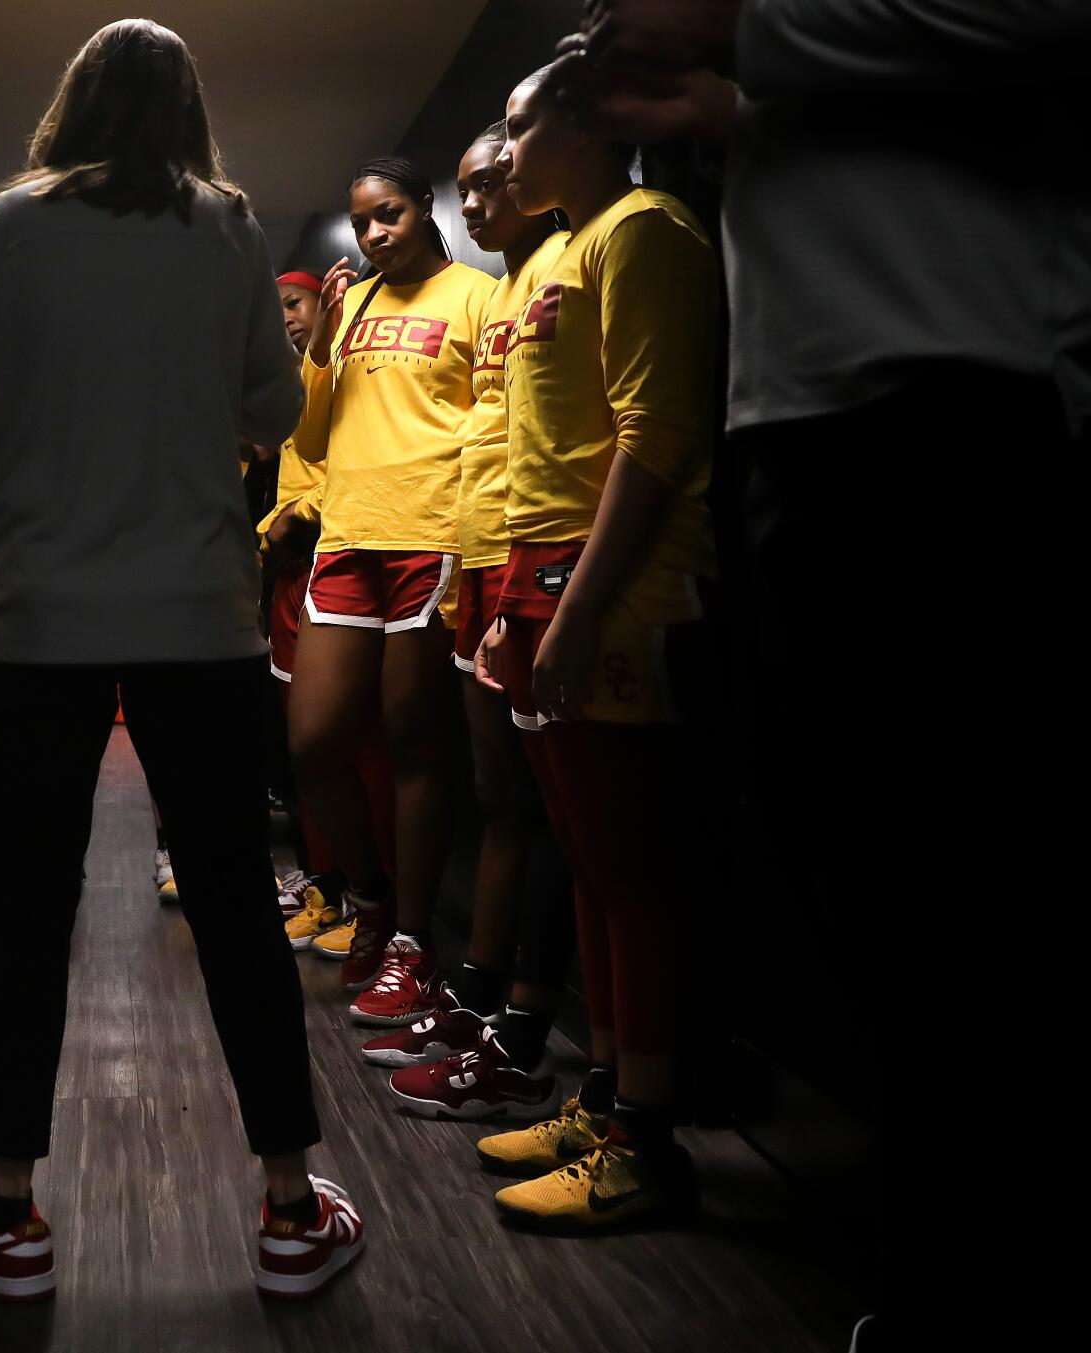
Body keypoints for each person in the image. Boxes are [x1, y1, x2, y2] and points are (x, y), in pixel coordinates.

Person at [0, 18, 362, 1300]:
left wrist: (20, 405)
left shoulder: (3, 224)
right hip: (196, 621)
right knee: (228, 904)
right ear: (186, 110)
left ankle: (7, 1214)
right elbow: (274, 408)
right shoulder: (223, 225)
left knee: (29, 913)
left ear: (74, 104)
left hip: (41, 622)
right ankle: (283, 1205)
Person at [467, 64, 718, 1228]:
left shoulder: (643, 228)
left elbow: (655, 431)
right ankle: (606, 1096)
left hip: (608, 585)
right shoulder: (548, 256)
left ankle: (646, 1144)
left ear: (586, 121)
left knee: (632, 868)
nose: (507, 150)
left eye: (520, 125)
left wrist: (570, 612)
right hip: (534, 571)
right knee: (585, 856)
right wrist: (507, 604)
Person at [366, 122, 578, 1119]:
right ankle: (483, 994)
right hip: (485, 558)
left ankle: (523, 1025)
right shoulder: (501, 296)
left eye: (495, 181)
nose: (481, 203)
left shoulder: (582, 265)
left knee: (551, 807)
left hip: (547, 560)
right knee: (499, 793)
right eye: (471, 190)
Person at [285, 157, 496, 1024]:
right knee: (314, 740)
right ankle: (369, 897)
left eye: (390, 213)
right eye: (363, 221)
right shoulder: (356, 304)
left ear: (423, 211)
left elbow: (491, 416)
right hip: (349, 531)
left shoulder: (477, 295)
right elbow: (313, 430)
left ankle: (412, 939)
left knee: (415, 744)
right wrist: (324, 338)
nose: (374, 233)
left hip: (431, 532)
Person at [257, 270, 397, 956]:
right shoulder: (297, 383)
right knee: (303, 738)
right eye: (276, 306)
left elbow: (336, 469)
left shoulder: (350, 367)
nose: (286, 317)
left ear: (327, 303)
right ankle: (327, 883)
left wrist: (292, 519)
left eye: (295, 303)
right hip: (291, 569)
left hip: (336, 556)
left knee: (349, 738)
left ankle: (369, 896)